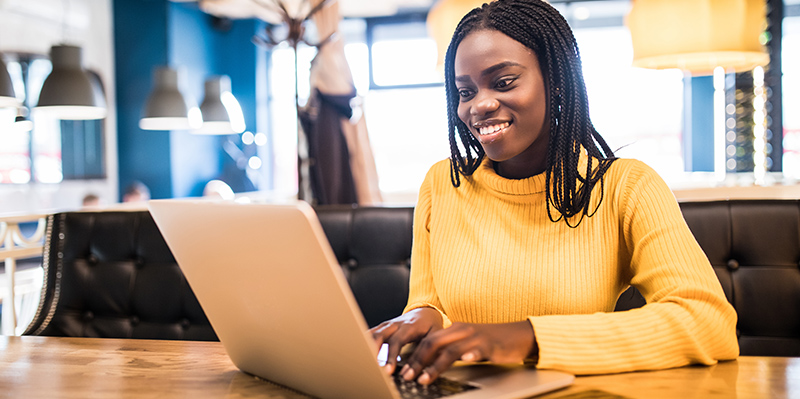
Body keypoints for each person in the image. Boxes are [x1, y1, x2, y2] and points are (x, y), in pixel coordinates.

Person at [370, 0, 738, 385]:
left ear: (557, 80)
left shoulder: (626, 187)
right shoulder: (442, 184)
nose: (479, 105)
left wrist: (528, 338)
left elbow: (707, 321)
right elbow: (431, 304)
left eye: (504, 82)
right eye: (465, 91)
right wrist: (419, 317)